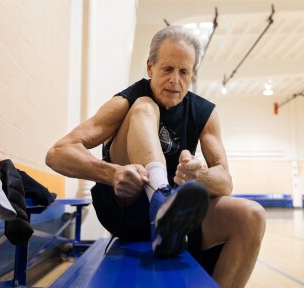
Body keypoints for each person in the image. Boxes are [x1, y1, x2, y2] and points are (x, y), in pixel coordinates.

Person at [46, 26, 265, 287]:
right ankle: (160, 197)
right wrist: (112, 173)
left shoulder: (204, 113)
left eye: (184, 72)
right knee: (144, 106)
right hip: (126, 208)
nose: (175, 79)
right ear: (150, 68)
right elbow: (58, 153)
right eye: (167, 69)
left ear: (193, 75)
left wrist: (199, 174)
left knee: (252, 215)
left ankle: (167, 217)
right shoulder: (126, 101)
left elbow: (225, 183)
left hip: (177, 225)